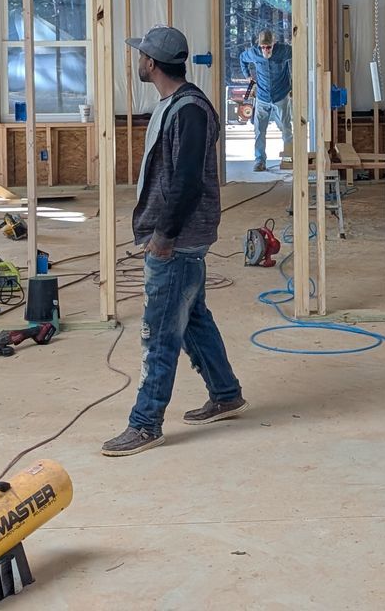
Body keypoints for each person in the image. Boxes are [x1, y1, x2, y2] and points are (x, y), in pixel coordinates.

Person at [102, 26, 245, 457]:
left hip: (178, 240)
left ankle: (146, 423)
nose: (138, 61)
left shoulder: (189, 110)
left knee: (160, 331)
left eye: (141, 55)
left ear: (151, 63)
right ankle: (225, 393)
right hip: (178, 237)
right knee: (193, 317)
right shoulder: (176, 105)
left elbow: (186, 182)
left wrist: (164, 236)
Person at [238, 28, 293, 172]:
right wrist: (247, 75)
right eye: (263, 47)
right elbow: (242, 58)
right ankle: (260, 160)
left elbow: (299, 53)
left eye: (268, 47)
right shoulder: (254, 53)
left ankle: (289, 157)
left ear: (274, 44)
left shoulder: (284, 51)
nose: (266, 50)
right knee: (259, 130)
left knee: (286, 129)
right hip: (262, 97)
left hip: (281, 96)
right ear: (259, 45)